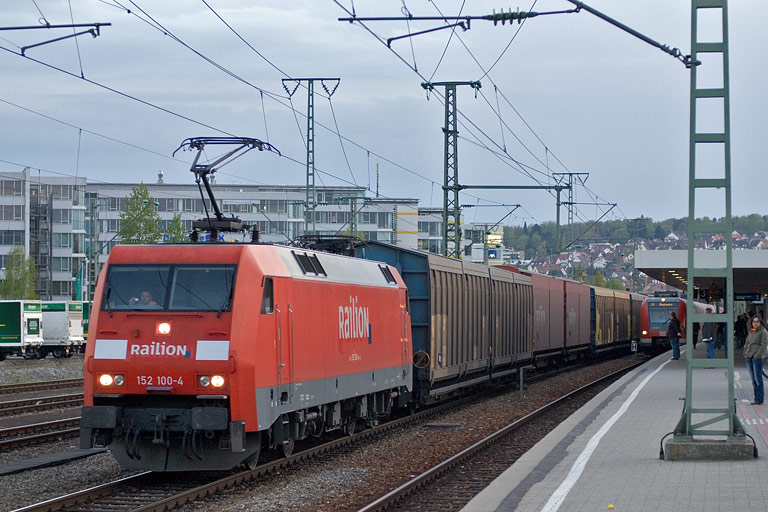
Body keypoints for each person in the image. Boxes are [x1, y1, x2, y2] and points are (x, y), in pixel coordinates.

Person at [743, 315, 768, 405]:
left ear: (760, 322)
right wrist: (745, 352)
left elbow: (763, 344)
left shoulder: (763, 332)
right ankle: (756, 398)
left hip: (756, 358)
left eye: (757, 321)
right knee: (753, 379)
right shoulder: (751, 331)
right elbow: (747, 343)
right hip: (749, 357)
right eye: (754, 321)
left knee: (758, 379)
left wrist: (758, 355)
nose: (755, 323)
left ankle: (759, 399)